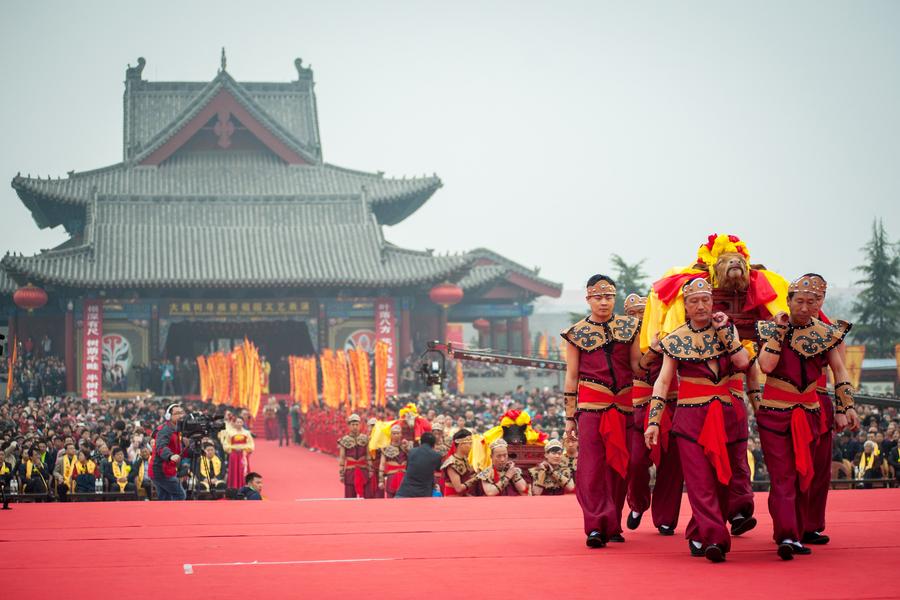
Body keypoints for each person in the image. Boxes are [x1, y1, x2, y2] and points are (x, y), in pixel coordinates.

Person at [645, 278, 751, 563]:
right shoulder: (675, 339)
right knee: (699, 481)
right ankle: (715, 538)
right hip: (691, 418)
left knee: (721, 480)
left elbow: (743, 363)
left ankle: (697, 532)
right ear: (685, 307)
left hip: (728, 416)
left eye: (705, 299)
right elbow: (663, 381)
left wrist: (727, 334)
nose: (701, 305)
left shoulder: (727, 330)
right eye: (694, 301)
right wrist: (653, 421)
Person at [756, 274, 859, 559]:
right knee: (783, 476)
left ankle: (799, 530)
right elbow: (765, 366)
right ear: (788, 301)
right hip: (775, 413)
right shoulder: (769, 329)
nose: (804, 307)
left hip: (811, 412)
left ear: (819, 303)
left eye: (811, 301)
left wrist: (846, 406)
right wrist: (778, 332)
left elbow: (839, 371)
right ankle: (787, 535)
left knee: (807, 474)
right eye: (798, 301)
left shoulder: (826, 334)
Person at [561, 275, 641, 548]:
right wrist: (569, 417)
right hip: (591, 407)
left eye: (608, 297)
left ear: (615, 298)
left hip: (623, 406)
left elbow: (637, 367)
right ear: (588, 299)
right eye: (598, 297)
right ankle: (596, 525)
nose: (604, 302)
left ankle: (613, 521)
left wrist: (657, 351)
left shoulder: (630, 327)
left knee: (620, 466)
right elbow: (571, 376)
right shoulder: (576, 332)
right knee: (592, 468)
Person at [625, 293, 684, 536]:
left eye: (644, 312)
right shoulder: (626, 337)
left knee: (671, 464)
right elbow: (636, 367)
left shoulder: (672, 331)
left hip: (671, 403)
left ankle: (666, 519)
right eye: (634, 314)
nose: (639, 318)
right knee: (636, 462)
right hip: (639, 405)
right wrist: (652, 350)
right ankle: (638, 504)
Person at [148, 403, 186, 500]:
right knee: (180, 495)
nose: (180, 415)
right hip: (161, 470)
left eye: (181, 413)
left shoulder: (178, 429)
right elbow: (161, 447)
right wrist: (170, 456)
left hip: (165, 469)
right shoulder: (165, 429)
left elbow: (179, 448)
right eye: (177, 413)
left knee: (165, 499)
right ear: (169, 416)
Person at [396, 432, 444, 498]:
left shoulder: (412, 452)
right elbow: (438, 470)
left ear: (420, 442)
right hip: (423, 493)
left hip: (405, 492)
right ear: (433, 444)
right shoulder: (436, 456)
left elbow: (407, 469)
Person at [337, 414, 369, 498]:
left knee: (365, 497)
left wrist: (371, 470)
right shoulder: (344, 440)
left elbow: (368, 456)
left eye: (357, 424)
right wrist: (341, 474)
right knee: (350, 497)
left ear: (360, 425)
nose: (355, 427)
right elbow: (342, 458)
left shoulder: (365, 439)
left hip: (363, 470)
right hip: (350, 471)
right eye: (353, 425)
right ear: (348, 426)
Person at [441, 429, 479, 496]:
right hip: (453, 498)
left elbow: (467, 474)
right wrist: (475, 479)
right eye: (469, 443)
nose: (471, 446)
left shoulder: (464, 459)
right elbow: (458, 488)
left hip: (463, 496)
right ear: (461, 444)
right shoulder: (451, 463)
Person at [221, 417, 254, 490]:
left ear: (243, 423)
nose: (239, 424)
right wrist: (233, 448)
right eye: (237, 422)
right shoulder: (230, 433)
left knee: (244, 470)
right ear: (234, 423)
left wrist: (243, 448)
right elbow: (226, 444)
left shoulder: (246, 433)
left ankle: (245, 487)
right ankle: (233, 488)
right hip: (234, 455)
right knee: (234, 470)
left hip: (243, 455)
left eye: (240, 422)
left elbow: (251, 444)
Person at [379, 425, 409, 498]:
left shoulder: (406, 446)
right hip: (391, 477)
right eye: (394, 433)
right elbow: (382, 464)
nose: (396, 435)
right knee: (391, 500)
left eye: (398, 433)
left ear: (401, 434)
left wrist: (407, 448)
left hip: (404, 477)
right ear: (391, 435)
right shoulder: (385, 448)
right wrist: (381, 480)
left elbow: (412, 460)